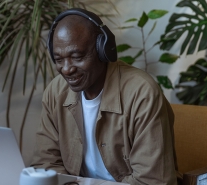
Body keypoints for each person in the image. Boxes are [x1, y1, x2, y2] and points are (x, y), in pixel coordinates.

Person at [31, 8, 177, 185]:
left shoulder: (142, 93)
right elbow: (46, 165)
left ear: (103, 50)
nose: (67, 69)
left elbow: (153, 181)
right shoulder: (55, 92)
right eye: (59, 60)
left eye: (77, 56)